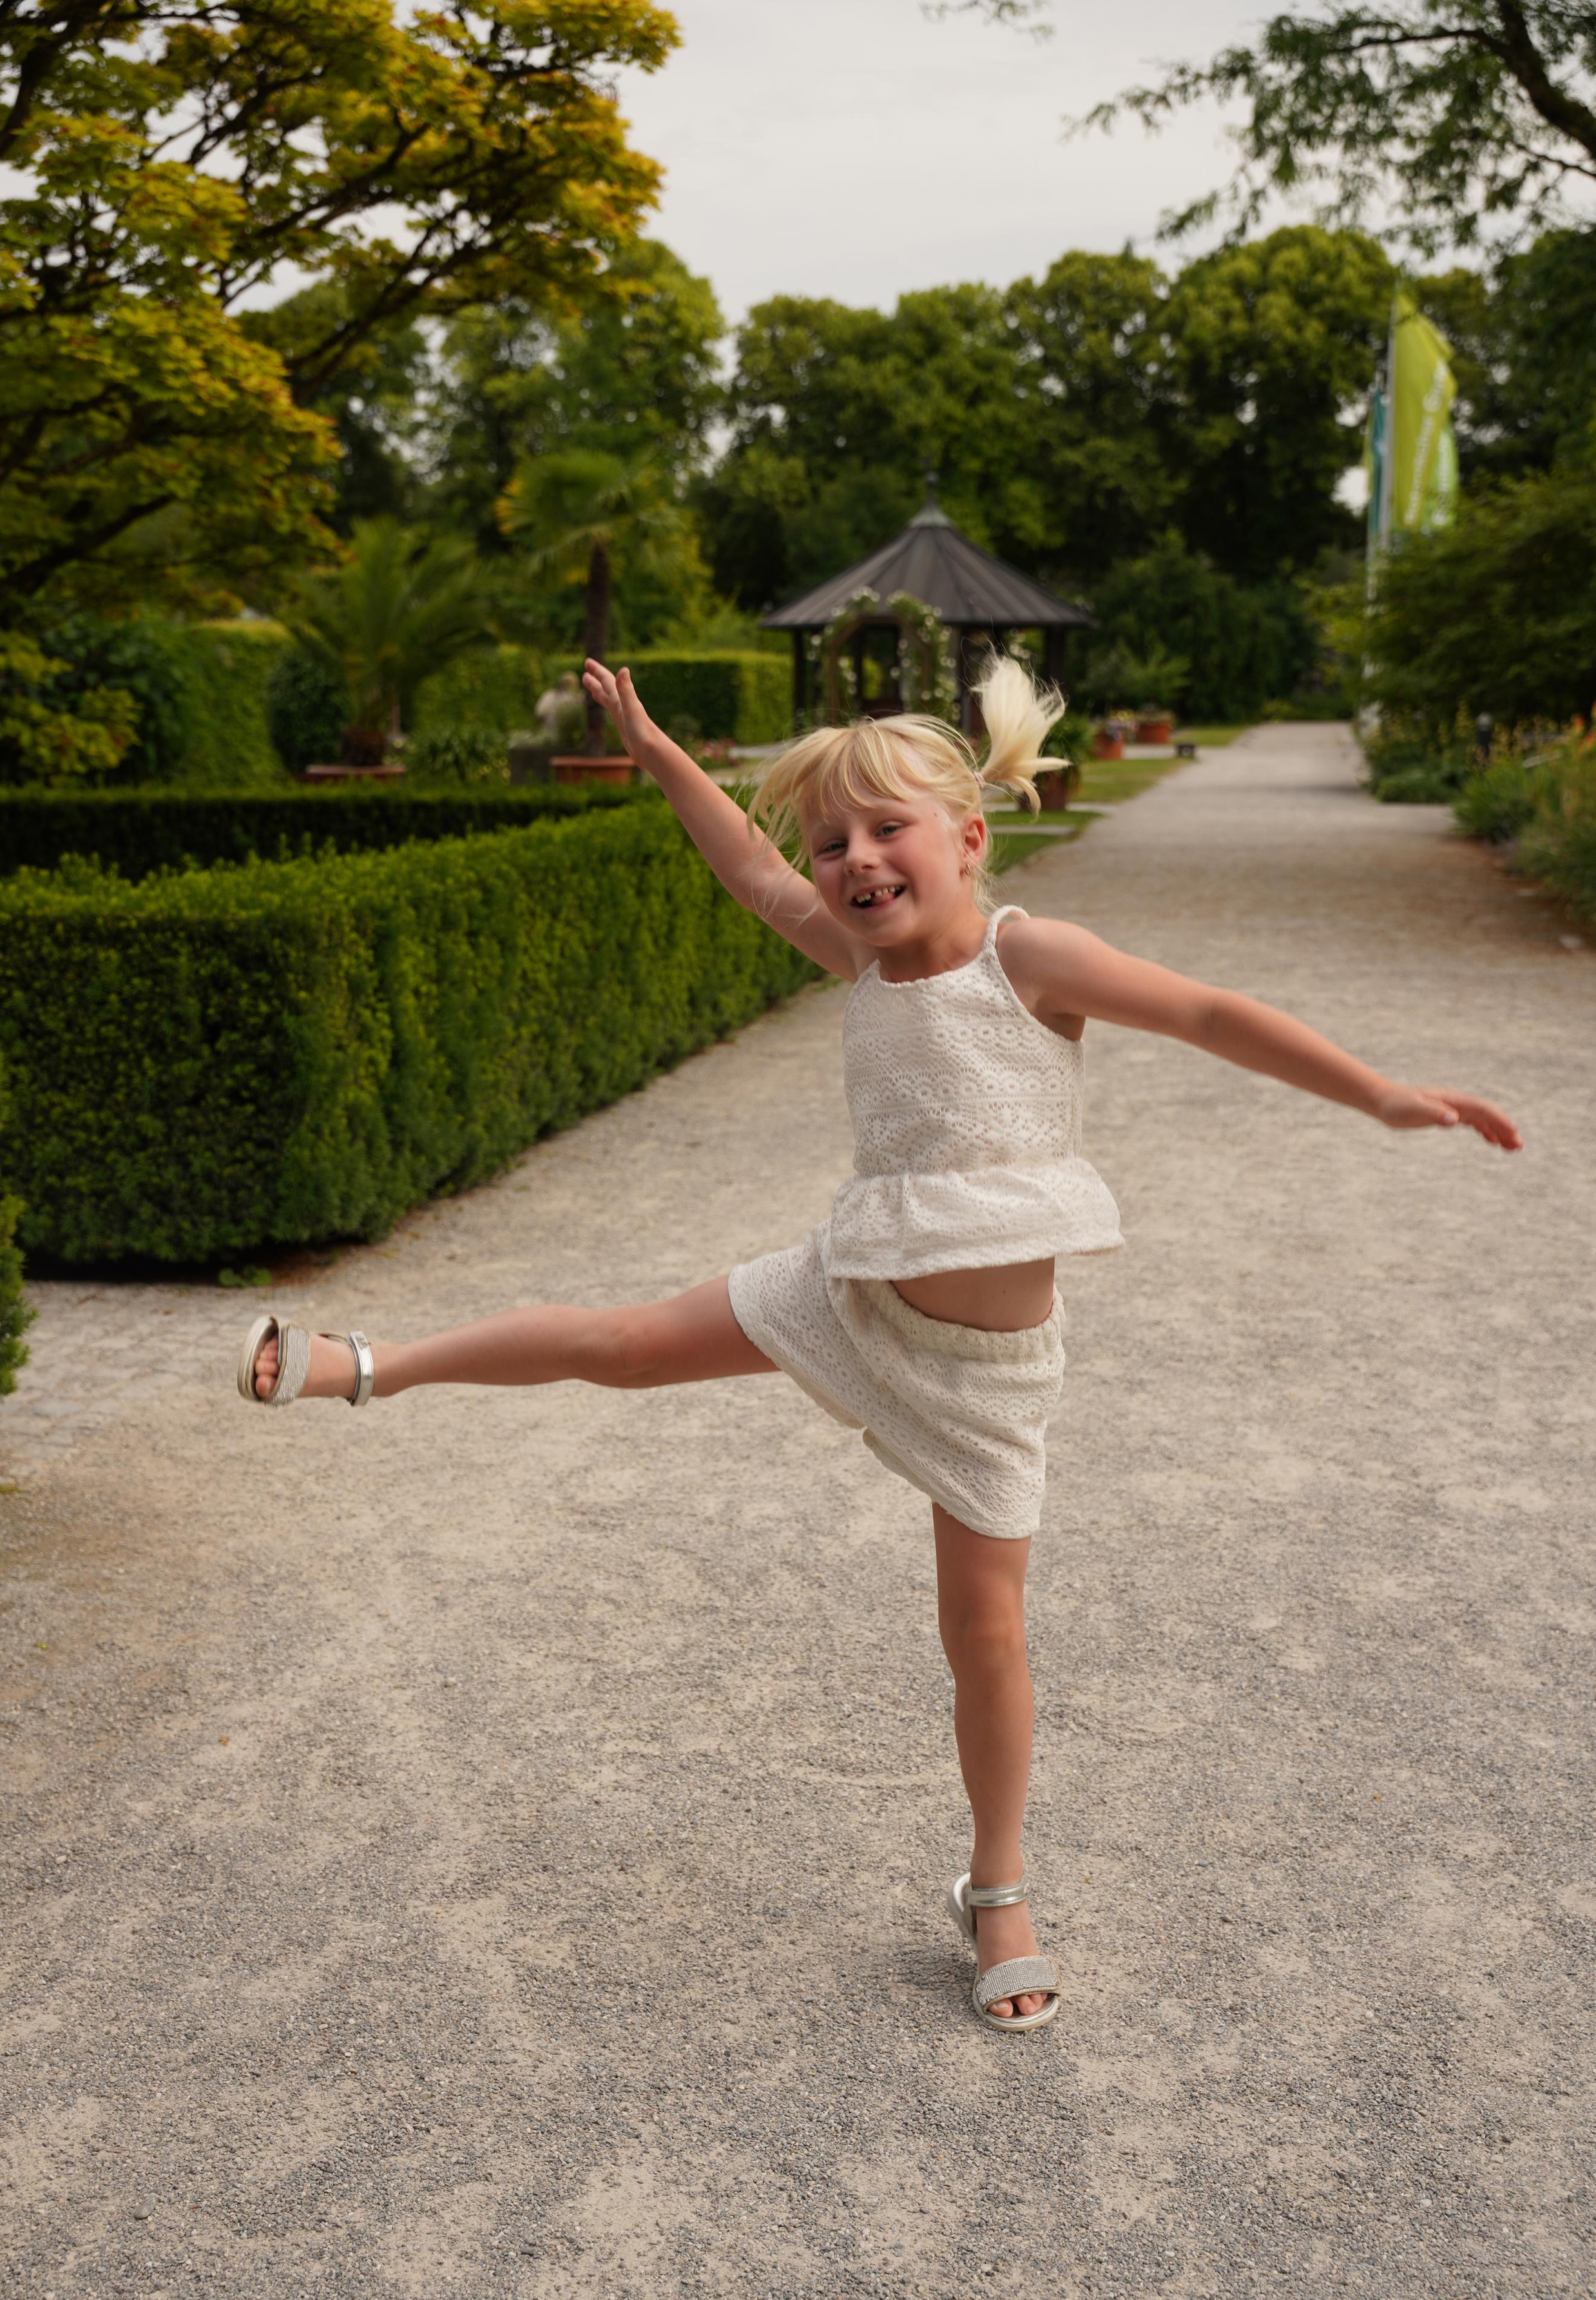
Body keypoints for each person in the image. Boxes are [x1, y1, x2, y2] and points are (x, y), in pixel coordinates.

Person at [236, 655, 1523, 2033]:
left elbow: (1210, 1011)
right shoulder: (849, 953)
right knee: (614, 1338)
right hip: (847, 1296)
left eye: (884, 829)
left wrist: (1381, 1093)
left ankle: (995, 1884)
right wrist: (657, 744)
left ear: (969, 836)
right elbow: (739, 863)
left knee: (983, 1638)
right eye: (831, 841)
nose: (851, 860)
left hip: (985, 1384)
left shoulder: (1029, 958)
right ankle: (364, 1363)